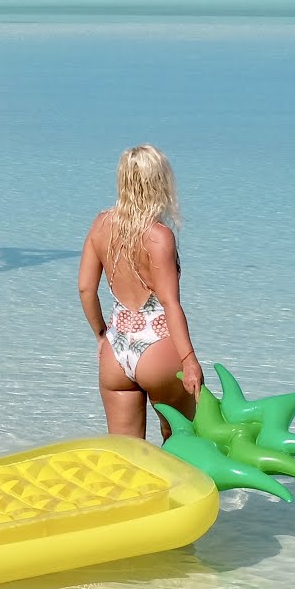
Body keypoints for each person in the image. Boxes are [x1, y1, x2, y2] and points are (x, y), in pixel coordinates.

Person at [78, 144, 203, 441]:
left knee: (126, 455)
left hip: (117, 348)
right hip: (157, 345)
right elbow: (170, 304)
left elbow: (85, 289)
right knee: (183, 441)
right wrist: (189, 360)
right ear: (160, 182)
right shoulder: (158, 237)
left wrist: (101, 335)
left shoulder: (100, 225)